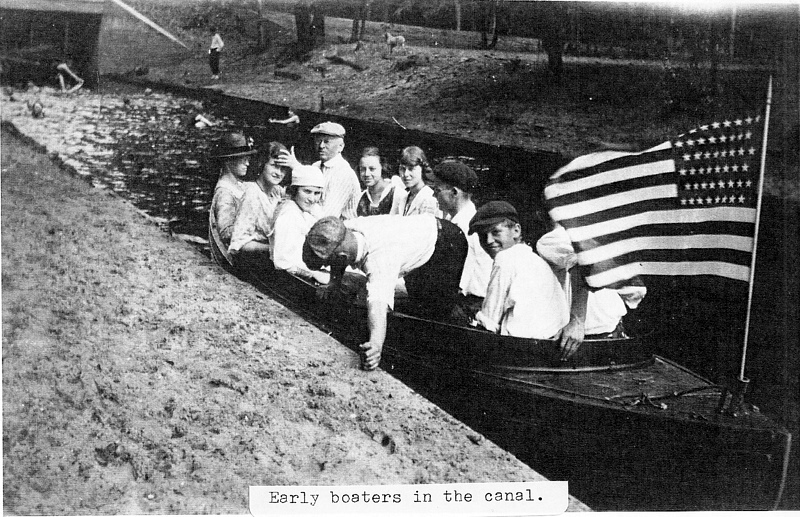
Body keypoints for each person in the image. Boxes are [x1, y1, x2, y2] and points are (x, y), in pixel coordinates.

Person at [305, 214, 467, 370]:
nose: (329, 266)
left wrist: (375, 344)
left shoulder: (380, 260)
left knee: (434, 311)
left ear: (342, 257)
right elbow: (337, 254)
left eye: (328, 264)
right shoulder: (346, 229)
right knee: (416, 297)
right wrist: (333, 284)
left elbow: (378, 305)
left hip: (447, 244)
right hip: (419, 232)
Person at [536, 222, 646, 359]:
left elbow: (579, 262)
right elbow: (637, 290)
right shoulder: (602, 236)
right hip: (603, 333)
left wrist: (577, 320)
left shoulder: (554, 237)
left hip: (580, 338)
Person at [469, 201, 569, 340]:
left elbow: (489, 320)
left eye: (496, 232)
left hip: (521, 345)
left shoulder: (505, 258)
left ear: (516, 230)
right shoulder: (531, 258)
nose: (489, 240)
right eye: (482, 236)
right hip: (549, 340)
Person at [426, 160, 493, 304]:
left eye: (437, 190)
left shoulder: (467, 228)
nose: (433, 196)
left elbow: (459, 280)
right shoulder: (457, 220)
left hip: (471, 302)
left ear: (454, 192)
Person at [276, 121, 361, 219]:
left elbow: (327, 217)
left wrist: (297, 168)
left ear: (341, 146)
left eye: (326, 141)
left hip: (338, 226)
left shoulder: (343, 173)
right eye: (318, 141)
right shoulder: (316, 166)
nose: (321, 146)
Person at [228, 142, 289, 273]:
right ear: (262, 164)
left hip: (276, 255)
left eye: (283, 168)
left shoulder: (277, 191)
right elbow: (239, 244)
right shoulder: (252, 194)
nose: (279, 173)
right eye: (274, 166)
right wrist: (274, 248)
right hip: (257, 261)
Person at [271, 165, 330, 284]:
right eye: (307, 191)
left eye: (317, 193)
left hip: (309, 270)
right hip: (291, 280)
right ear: (295, 190)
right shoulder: (289, 214)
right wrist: (314, 274)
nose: (312, 199)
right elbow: (284, 263)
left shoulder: (308, 209)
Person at [208, 132, 256, 269]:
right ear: (229, 160)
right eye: (243, 159)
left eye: (247, 158)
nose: (247, 163)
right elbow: (226, 233)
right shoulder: (225, 193)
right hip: (237, 256)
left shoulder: (238, 184)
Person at [390, 146, 439, 217]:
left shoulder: (429, 198)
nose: (406, 174)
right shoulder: (403, 198)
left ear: (422, 169)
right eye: (402, 169)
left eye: (411, 169)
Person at [356, 147, 403, 217]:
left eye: (372, 169)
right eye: (362, 169)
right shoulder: (361, 198)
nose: (366, 174)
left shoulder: (397, 194)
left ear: (382, 167)